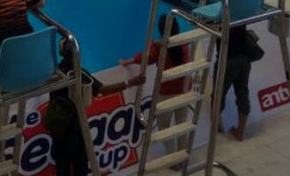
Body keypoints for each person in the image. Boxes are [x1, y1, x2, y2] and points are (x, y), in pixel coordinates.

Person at [48, 39, 144, 176]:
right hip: (75, 129)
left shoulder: (55, 73)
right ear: (77, 54)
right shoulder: (80, 74)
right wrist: (131, 82)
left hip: (57, 128)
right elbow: (103, 90)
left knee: (62, 169)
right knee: (80, 167)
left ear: (61, 53)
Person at [119, 15, 189, 153]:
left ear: (161, 30)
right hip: (184, 91)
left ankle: (173, 159)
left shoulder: (159, 46)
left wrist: (129, 61)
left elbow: (147, 58)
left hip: (166, 93)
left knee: (164, 127)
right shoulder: (185, 43)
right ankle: (183, 155)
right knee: (182, 125)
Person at [215, 26, 251, 141]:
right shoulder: (241, 12)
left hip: (226, 61)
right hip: (244, 59)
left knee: (217, 95)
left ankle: (218, 129)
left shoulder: (220, 14)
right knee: (243, 94)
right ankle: (241, 130)